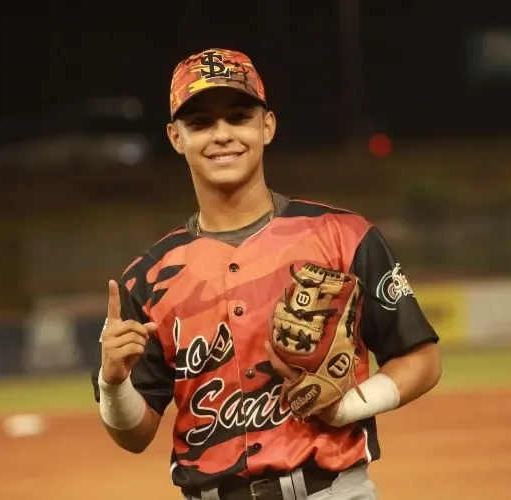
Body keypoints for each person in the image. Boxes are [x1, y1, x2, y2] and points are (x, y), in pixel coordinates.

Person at [92, 48, 443, 500]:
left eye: (239, 117)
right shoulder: (147, 280)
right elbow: (134, 435)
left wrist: (345, 408)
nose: (222, 135)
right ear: (176, 137)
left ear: (267, 126)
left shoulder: (343, 236)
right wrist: (113, 382)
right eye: (200, 123)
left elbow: (422, 361)